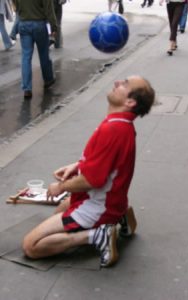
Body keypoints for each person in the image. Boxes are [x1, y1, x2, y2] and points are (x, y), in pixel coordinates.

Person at [22, 75, 155, 268]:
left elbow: (93, 180)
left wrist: (60, 187)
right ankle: (120, 214)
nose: (117, 82)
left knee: (31, 246)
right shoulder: (120, 123)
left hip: (98, 206)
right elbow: (108, 161)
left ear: (130, 101)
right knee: (58, 212)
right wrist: (77, 165)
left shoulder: (113, 129)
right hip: (106, 199)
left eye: (124, 84)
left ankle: (97, 235)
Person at [12, 0, 58, 99]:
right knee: (43, 54)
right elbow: (49, 9)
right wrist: (54, 27)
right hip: (39, 24)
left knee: (26, 57)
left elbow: (15, 4)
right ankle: (48, 79)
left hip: (23, 23)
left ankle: (27, 88)